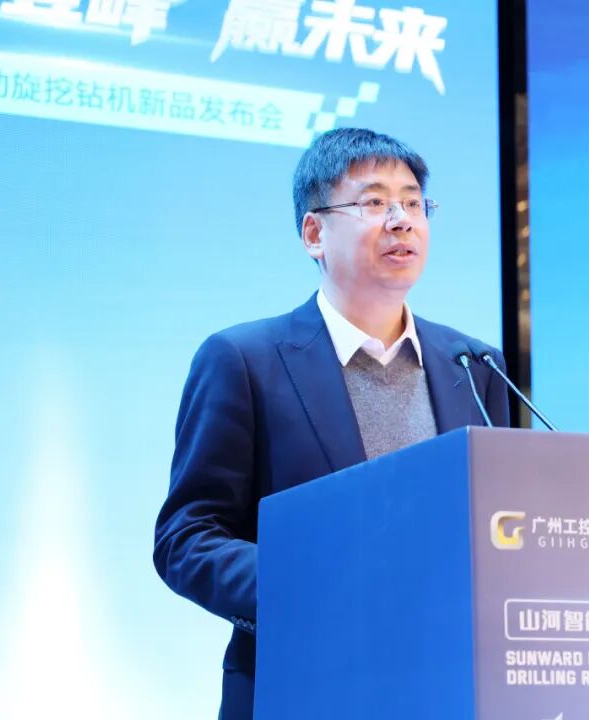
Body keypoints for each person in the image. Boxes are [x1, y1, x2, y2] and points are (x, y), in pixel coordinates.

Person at [153, 128, 509, 720]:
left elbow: (502, 526)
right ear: (314, 233)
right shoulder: (244, 360)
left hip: (449, 687)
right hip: (303, 686)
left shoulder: (474, 366)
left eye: (414, 203)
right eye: (374, 202)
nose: (402, 221)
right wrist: (313, 585)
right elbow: (187, 538)